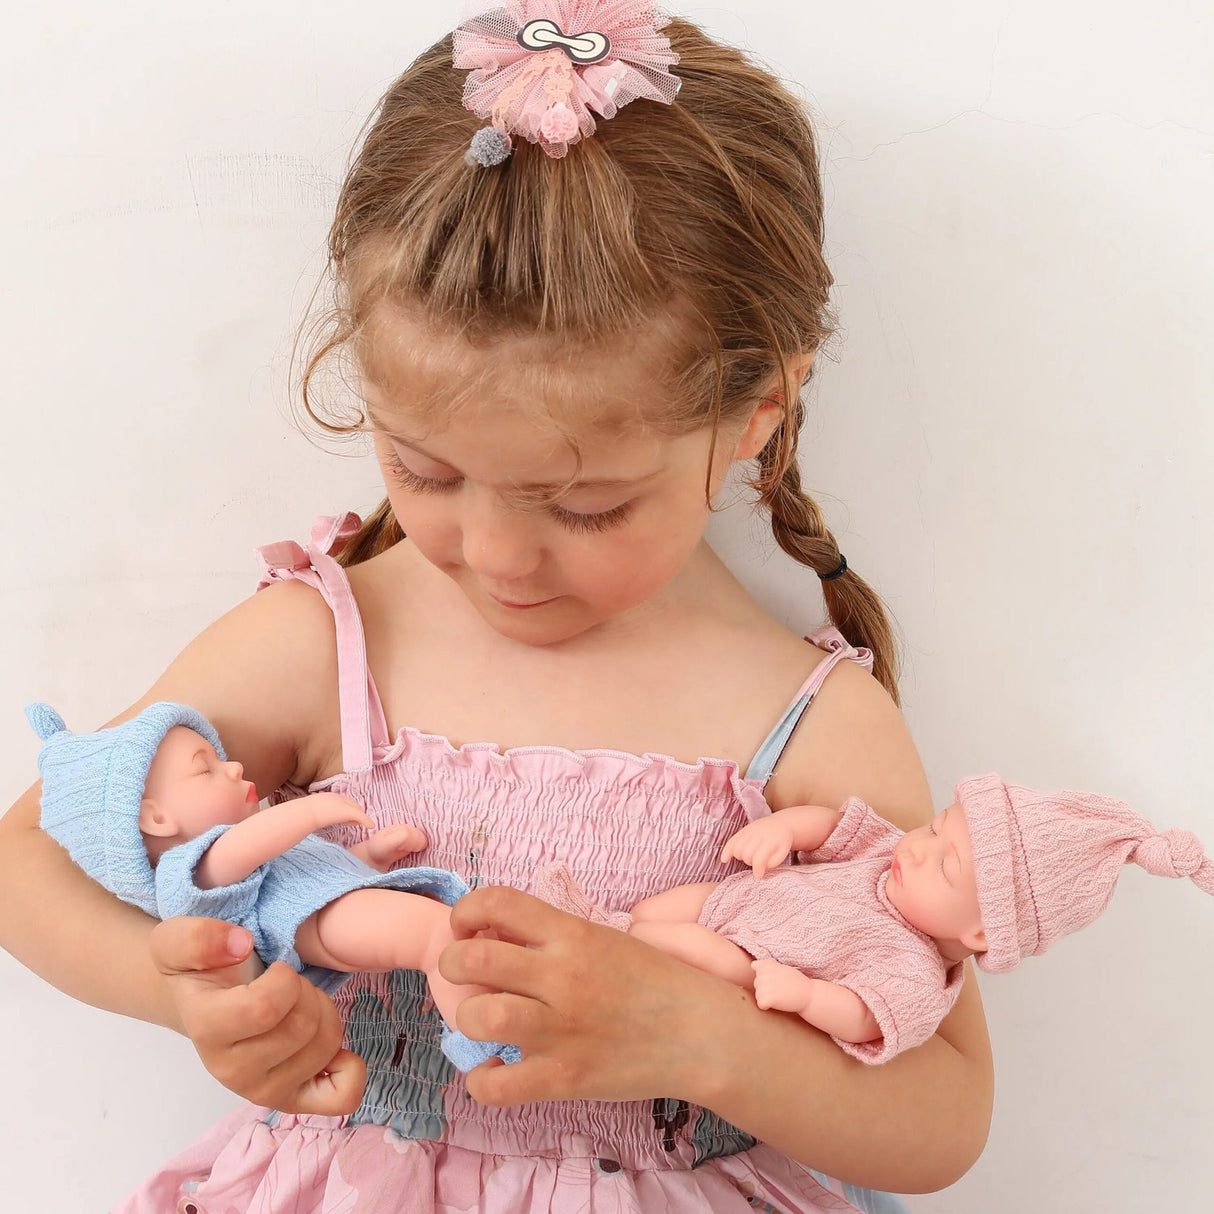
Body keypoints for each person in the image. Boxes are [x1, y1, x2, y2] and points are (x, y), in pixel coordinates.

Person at [0, 5, 994, 1211]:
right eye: (425, 472)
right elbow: (28, 853)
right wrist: (184, 986)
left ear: (757, 416)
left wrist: (700, 1034)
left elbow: (943, 1113)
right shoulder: (330, 641)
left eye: (582, 506)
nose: (497, 553)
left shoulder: (803, 722)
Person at [541, 775, 1214, 1064]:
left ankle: (603, 939)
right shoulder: (890, 853)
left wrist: (806, 995)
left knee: (695, 950)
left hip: (747, 965)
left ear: (981, 934)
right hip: (734, 903)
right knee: (672, 908)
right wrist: (782, 830)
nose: (917, 849)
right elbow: (832, 825)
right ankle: (616, 924)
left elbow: (866, 1016)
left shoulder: (916, 973)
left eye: (945, 866)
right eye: (932, 829)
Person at [24, 700, 509, 1066]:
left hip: (327, 912)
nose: (233, 767)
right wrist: (310, 811)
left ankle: (490, 1026)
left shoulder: (257, 842)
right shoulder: (189, 871)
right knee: (437, 934)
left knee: (443, 929)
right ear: (157, 818)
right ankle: (485, 1043)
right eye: (205, 769)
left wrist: (370, 857)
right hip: (310, 926)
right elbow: (252, 846)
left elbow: (316, 873)